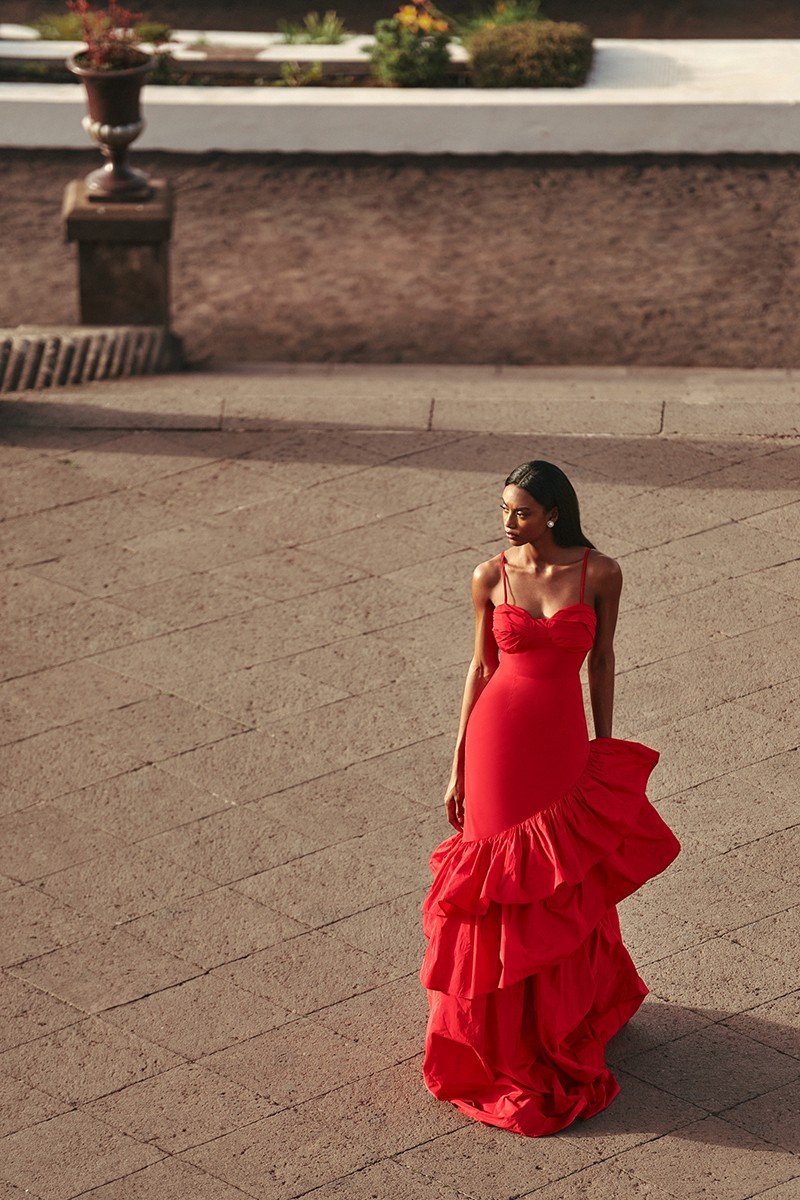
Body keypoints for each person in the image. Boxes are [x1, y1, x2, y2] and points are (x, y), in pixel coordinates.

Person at [420, 459, 681, 1137]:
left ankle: (565, 1019)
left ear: (555, 513)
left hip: (562, 739)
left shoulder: (601, 573)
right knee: (497, 879)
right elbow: (480, 668)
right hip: (496, 739)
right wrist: (456, 765)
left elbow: (603, 658)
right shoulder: (490, 575)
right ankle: (498, 1039)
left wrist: (604, 744)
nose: (508, 523)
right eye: (505, 510)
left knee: (561, 876)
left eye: (522, 512)